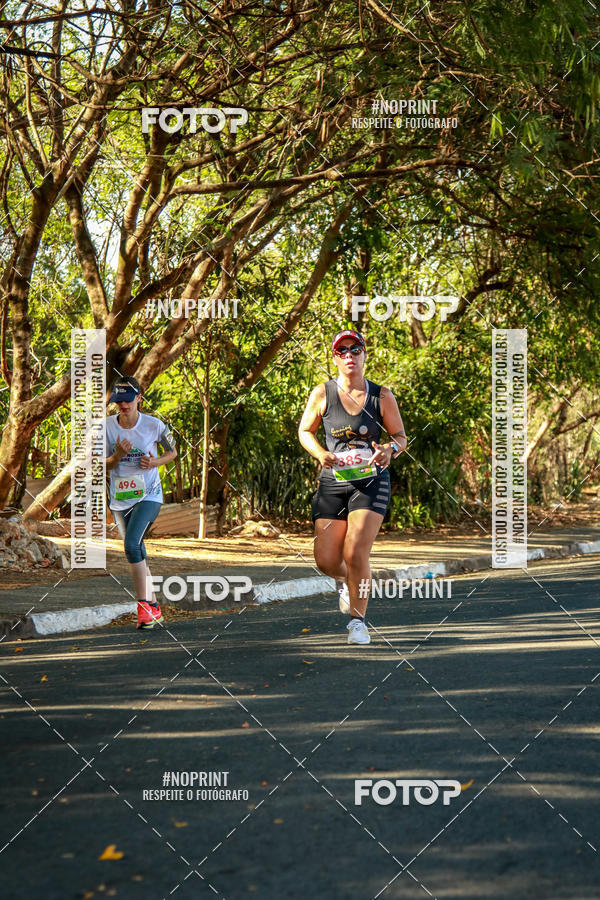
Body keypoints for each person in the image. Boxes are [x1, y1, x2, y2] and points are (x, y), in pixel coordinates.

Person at [298, 330, 407, 644]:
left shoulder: (381, 395)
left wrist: (390, 450)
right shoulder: (323, 393)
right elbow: (305, 431)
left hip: (371, 482)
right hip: (333, 483)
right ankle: (349, 580)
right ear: (335, 357)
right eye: (342, 351)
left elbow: (400, 437)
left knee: (357, 551)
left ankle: (357, 622)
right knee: (326, 560)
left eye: (354, 349)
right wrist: (320, 453)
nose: (349, 355)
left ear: (364, 354)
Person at [104, 376, 177, 629]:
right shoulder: (106, 427)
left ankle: (144, 607)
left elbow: (173, 451)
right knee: (138, 548)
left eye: (127, 400)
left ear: (138, 398)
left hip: (149, 495)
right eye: (118, 401)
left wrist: (154, 462)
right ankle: (155, 607)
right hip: (120, 499)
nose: (123, 406)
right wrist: (118, 456)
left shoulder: (155, 425)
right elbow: (102, 464)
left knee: (132, 545)